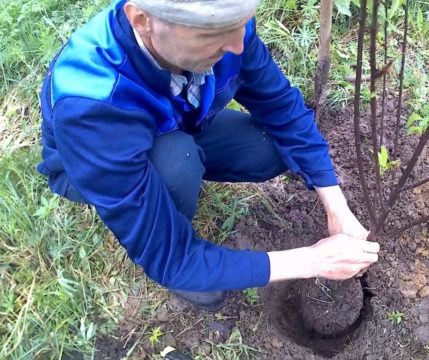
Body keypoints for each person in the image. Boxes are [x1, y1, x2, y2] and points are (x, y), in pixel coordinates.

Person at [37, 0, 380, 311]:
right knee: (176, 162)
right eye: (214, 35)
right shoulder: (92, 104)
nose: (236, 46)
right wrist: (312, 261)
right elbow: (173, 259)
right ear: (142, 20)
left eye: (240, 27)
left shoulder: (228, 33)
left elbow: (283, 110)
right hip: (95, 160)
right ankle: (173, 231)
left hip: (180, 120)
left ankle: (182, 156)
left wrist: (337, 206)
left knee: (271, 147)